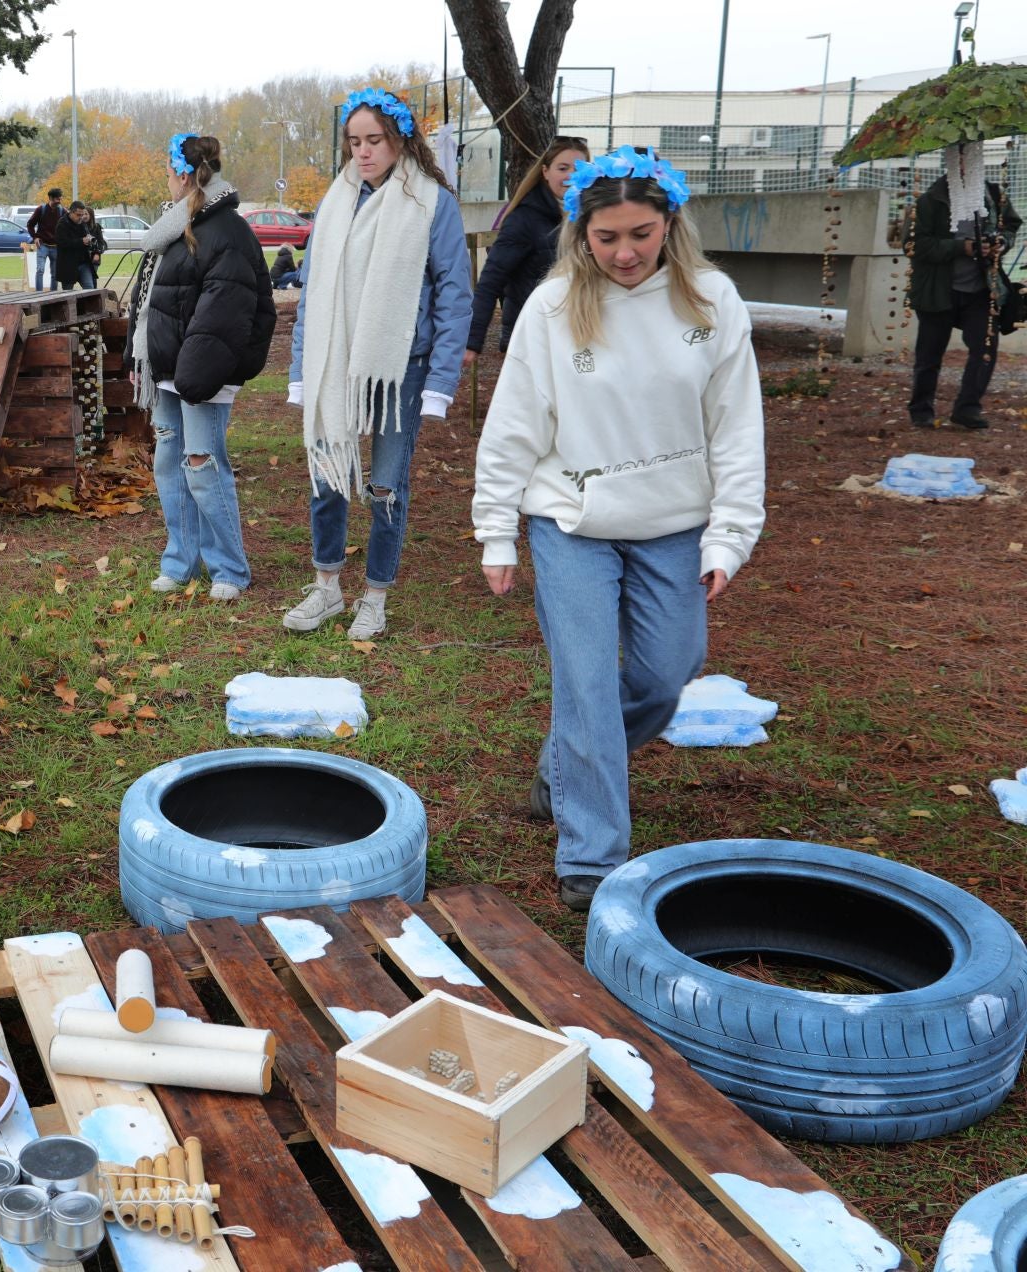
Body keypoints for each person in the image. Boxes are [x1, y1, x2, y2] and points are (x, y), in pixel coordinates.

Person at [471, 145, 765, 911]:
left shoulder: (711, 300)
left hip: (675, 523)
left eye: (641, 233)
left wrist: (730, 534)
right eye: (608, 238)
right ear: (581, 233)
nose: (626, 253)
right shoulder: (552, 306)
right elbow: (512, 428)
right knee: (588, 683)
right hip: (571, 521)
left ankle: (564, 766)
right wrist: (496, 530)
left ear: (669, 223)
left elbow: (736, 429)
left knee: (669, 672)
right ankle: (592, 858)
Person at [283, 89, 472, 641]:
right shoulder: (335, 200)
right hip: (333, 363)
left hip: (399, 370)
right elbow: (314, 290)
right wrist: (300, 370)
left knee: (386, 485)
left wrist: (439, 383)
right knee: (328, 476)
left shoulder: (433, 203)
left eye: (374, 141)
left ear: (400, 139)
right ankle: (327, 587)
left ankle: (375, 596)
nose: (362, 152)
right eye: (354, 141)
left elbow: (454, 297)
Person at [128, 133, 274, 602]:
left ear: (186, 175)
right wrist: (145, 359)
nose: (165, 182)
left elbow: (225, 311)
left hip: (202, 374)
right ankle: (180, 560)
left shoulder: (226, 231)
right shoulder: (176, 226)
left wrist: (197, 375)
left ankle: (228, 568)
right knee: (170, 462)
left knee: (202, 465)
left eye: (169, 173)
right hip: (171, 369)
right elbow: (153, 301)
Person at [907, 170, 1021, 429]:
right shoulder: (930, 201)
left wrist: (1001, 243)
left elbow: (1011, 225)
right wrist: (961, 247)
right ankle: (921, 409)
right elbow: (914, 244)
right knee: (929, 354)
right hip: (937, 291)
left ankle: (967, 408)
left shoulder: (993, 195)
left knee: (985, 350)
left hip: (982, 290)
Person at [465, 136, 590, 364]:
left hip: (576, 334)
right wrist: (471, 342)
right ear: (545, 171)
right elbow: (491, 279)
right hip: (531, 337)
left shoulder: (591, 217)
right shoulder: (524, 218)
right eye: (563, 168)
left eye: (579, 168)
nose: (571, 175)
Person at [26, 189, 65, 289]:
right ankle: (39, 295)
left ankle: (53, 296)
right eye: (57, 199)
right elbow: (30, 224)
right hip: (42, 245)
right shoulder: (41, 209)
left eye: (60, 199)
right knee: (40, 270)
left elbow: (69, 224)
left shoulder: (62, 211)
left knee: (55, 273)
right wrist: (35, 237)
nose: (59, 201)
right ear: (51, 198)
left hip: (56, 247)